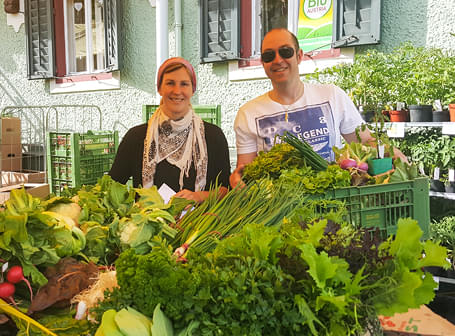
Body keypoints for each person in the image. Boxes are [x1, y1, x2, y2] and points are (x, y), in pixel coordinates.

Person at [230, 28, 406, 188]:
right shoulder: (248, 113)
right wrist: (237, 181)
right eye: (269, 55)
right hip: (280, 208)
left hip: (333, 198)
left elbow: (365, 140)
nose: (278, 60)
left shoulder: (332, 96)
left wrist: (393, 153)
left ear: (299, 56)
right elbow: (247, 170)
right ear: (263, 62)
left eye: (285, 52)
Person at [110, 57, 230, 202]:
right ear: (160, 88)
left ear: (193, 90)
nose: (177, 91)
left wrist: (198, 196)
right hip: (148, 222)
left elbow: (225, 189)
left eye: (184, 84)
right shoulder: (136, 137)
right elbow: (113, 185)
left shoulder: (213, 136)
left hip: (200, 223)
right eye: (170, 83)